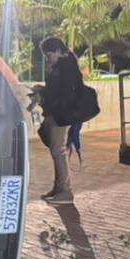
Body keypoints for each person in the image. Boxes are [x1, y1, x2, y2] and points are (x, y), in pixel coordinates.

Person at [37, 37, 83, 205]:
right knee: (56, 150)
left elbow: (65, 93)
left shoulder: (67, 66)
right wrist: (42, 91)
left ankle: (65, 191)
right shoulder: (61, 66)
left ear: (57, 51)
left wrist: (45, 95)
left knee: (58, 150)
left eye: (49, 55)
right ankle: (59, 187)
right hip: (55, 112)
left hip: (60, 114)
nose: (47, 59)